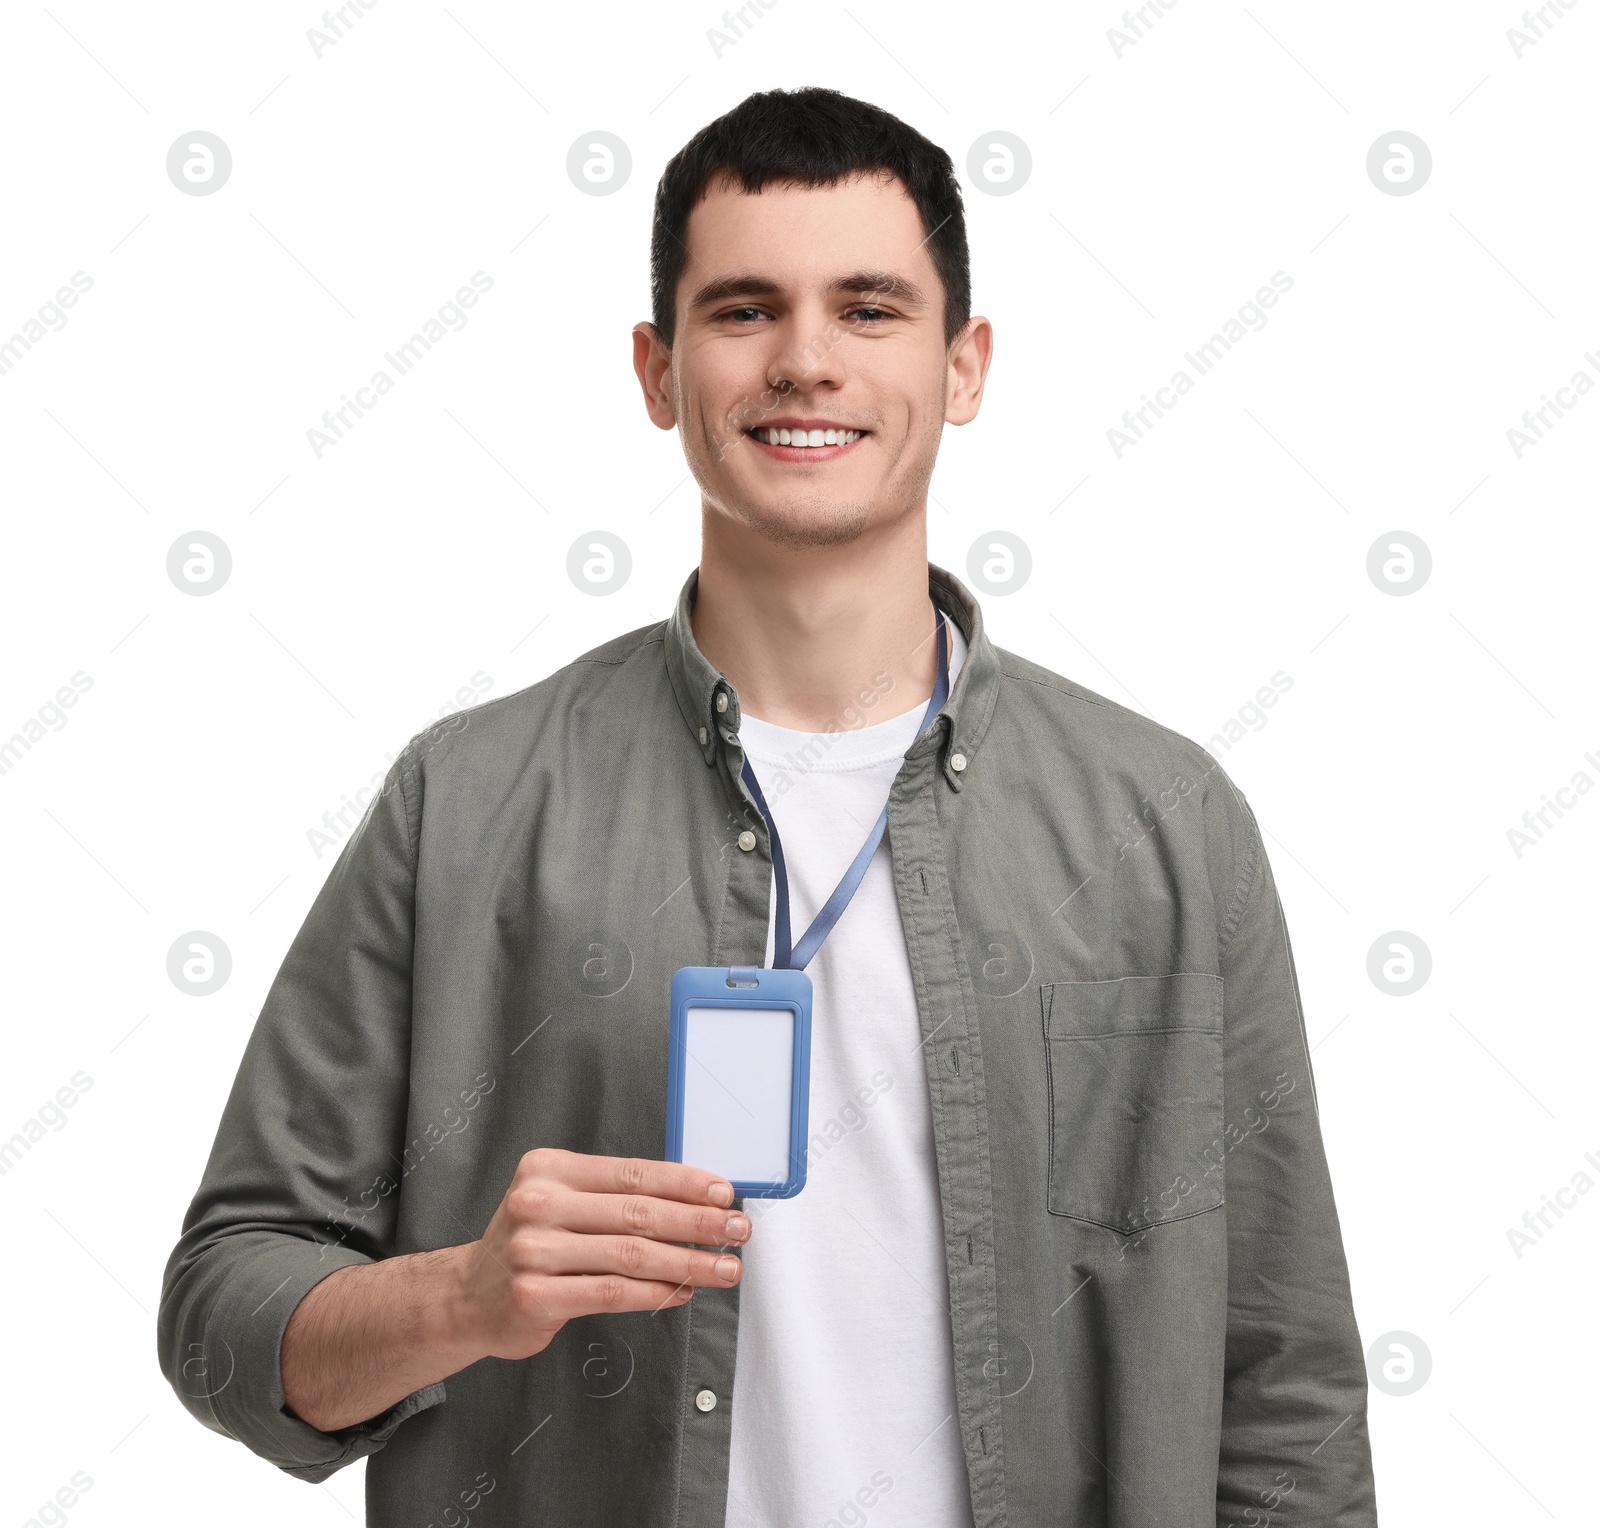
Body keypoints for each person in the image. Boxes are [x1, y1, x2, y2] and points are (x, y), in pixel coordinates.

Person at [159, 86, 1378, 1527]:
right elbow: (223, 1311)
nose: (806, 362)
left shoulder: (1163, 821)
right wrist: (465, 1295)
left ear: (966, 363)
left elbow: (1283, 1385)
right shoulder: (466, 803)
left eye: (869, 309)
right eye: (743, 311)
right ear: (658, 370)